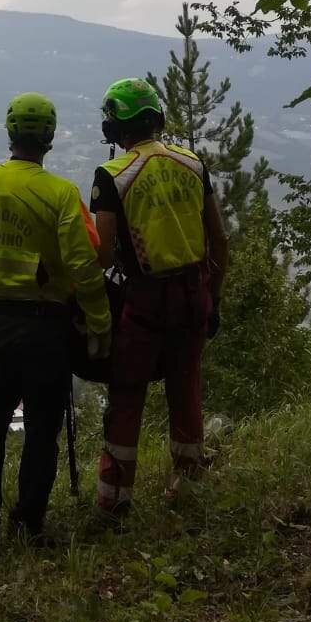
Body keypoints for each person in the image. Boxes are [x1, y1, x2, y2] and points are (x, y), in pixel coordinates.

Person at [0, 92, 111, 549]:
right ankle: (28, 523)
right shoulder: (59, 194)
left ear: (10, 132)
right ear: (50, 137)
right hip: (46, 327)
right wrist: (99, 321)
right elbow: (82, 264)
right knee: (42, 427)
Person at [90, 78, 229, 521]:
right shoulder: (193, 164)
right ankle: (188, 483)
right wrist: (215, 298)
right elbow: (219, 241)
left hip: (144, 300)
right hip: (194, 293)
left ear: (115, 127)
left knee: (127, 393)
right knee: (185, 386)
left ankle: (114, 498)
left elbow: (105, 252)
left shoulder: (112, 176)